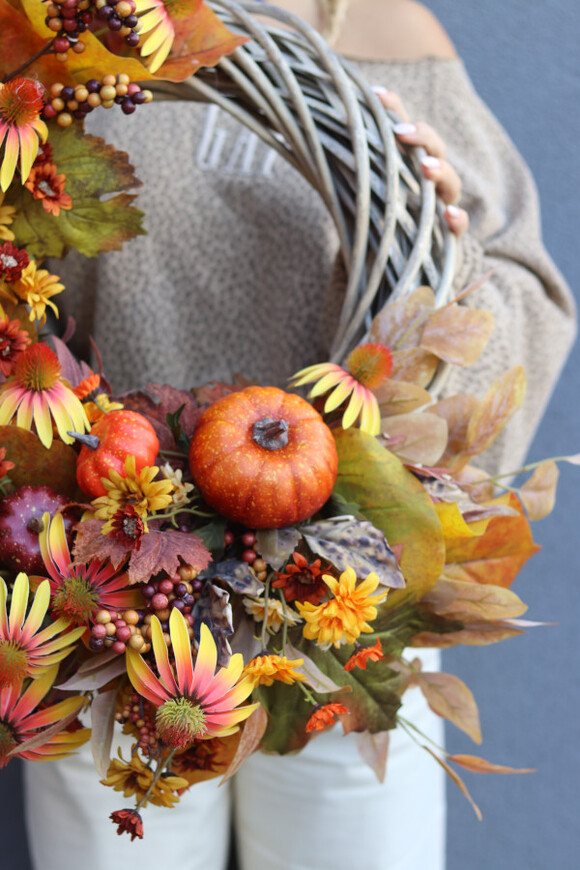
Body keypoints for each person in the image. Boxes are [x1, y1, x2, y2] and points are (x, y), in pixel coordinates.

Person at [22, 2, 576, 870]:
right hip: (105, 600)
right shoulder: (89, 33)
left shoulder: (398, 40)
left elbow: (519, 301)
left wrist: (444, 252)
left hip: (342, 616)